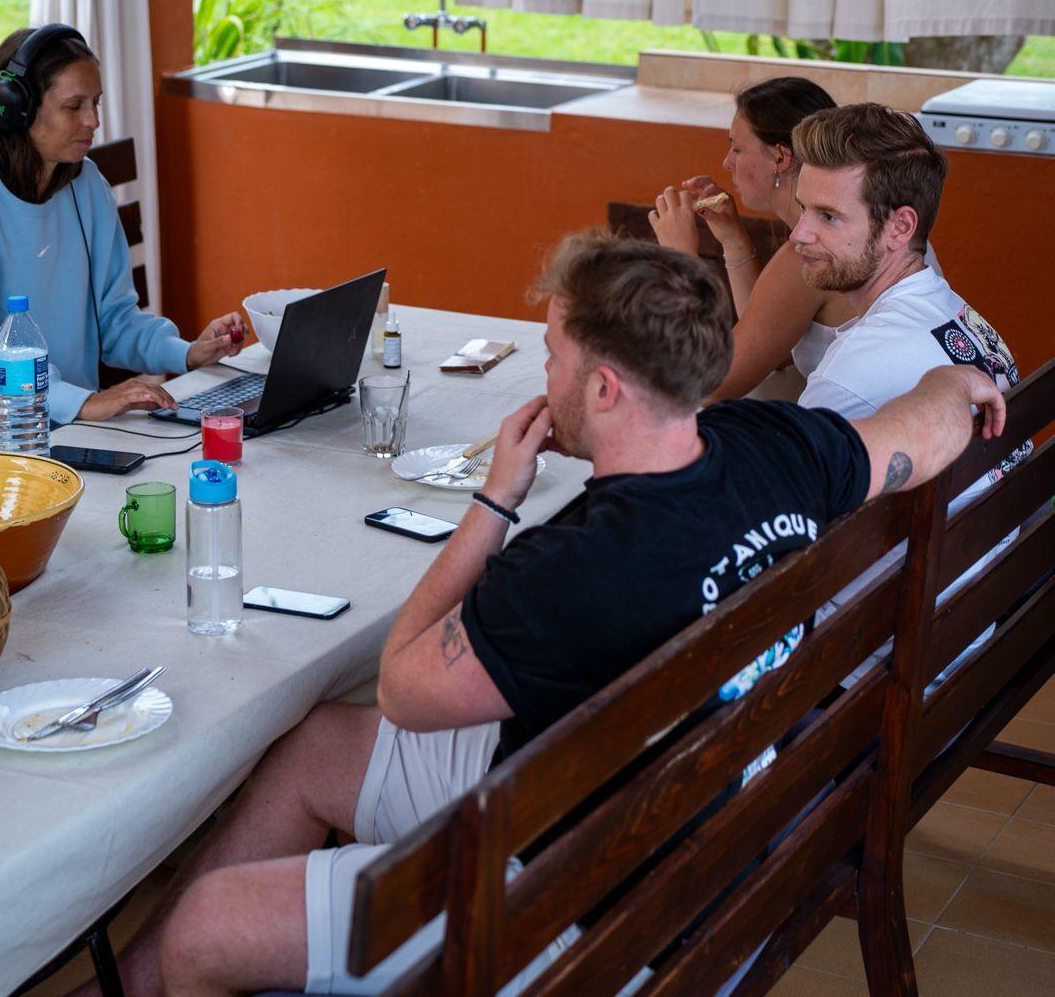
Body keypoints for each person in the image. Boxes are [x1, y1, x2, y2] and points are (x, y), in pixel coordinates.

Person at [87, 232, 1004, 997]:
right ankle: (128, 981)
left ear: (604, 387)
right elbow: (915, 436)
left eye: (555, 354)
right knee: (318, 745)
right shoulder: (778, 443)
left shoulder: (573, 570)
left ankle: (170, 965)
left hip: (586, 916)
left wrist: (492, 505)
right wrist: (955, 389)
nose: (547, 368)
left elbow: (407, 685)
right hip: (723, 828)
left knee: (206, 931)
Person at [0, 24, 245, 458]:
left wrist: (187, 354)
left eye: (96, 103)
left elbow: (115, 320)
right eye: (74, 106)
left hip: (46, 424)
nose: (93, 121)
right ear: (17, 110)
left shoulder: (86, 186)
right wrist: (81, 402)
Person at [788, 103, 1028, 671]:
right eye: (802, 209)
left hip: (884, 671)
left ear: (899, 227)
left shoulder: (852, 376)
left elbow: (778, 544)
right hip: (975, 628)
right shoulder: (956, 314)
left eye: (828, 216)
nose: (799, 234)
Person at [648, 75, 855, 398]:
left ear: (780, 158)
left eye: (736, 148)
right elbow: (774, 347)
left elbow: (712, 387)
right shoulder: (859, 217)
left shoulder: (811, 253)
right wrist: (733, 240)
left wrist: (680, 261)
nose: (726, 163)